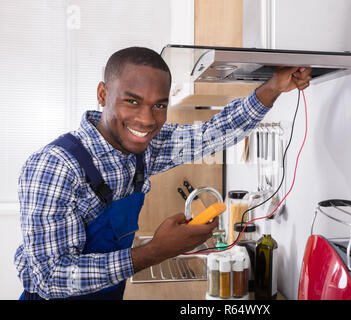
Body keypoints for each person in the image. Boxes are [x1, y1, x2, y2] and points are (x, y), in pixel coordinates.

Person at [15, 46, 312, 300]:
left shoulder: (144, 149)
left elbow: (214, 134)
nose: (146, 120)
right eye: (132, 101)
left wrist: (273, 87)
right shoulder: (55, 167)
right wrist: (156, 251)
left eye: (159, 105)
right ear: (103, 94)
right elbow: (50, 278)